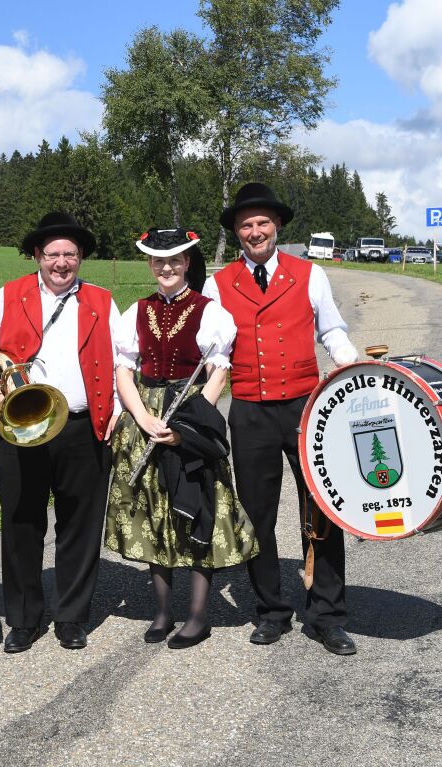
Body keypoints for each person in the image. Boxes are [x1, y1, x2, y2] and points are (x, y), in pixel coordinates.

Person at [203, 182, 359, 655]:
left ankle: (327, 615)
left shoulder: (309, 275)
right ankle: (271, 610)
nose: (255, 231)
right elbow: (213, 351)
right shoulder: (218, 283)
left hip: (305, 406)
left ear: (277, 227)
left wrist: (352, 370)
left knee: (322, 510)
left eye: (263, 223)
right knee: (257, 514)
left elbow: (331, 330)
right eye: (246, 225)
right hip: (249, 411)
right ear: (236, 232)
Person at [0, 212, 120, 653]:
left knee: (80, 525)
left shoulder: (103, 300)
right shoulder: (7, 295)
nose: (61, 263)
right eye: (52, 253)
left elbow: (123, 357)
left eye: (69, 254)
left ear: (80, 258)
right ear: (37, 255)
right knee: (20, 523)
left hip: (81, 425)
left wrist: (115, 408)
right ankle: (23, 619)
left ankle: (71, 616)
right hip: (21, 426)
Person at [105, 228, 257, 648]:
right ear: (150, 265)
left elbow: (218, 372)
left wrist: (187, 425)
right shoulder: (135, 310)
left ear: (188, 262)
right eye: (158, 260)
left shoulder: (210, 311)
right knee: (153, 510)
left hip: (189, 413)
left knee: (195, 505)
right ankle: (161, 612)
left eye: (174, 260)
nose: (166, 267)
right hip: (147, 416)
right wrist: (141, 416)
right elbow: (124, 371)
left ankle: (197, 615)